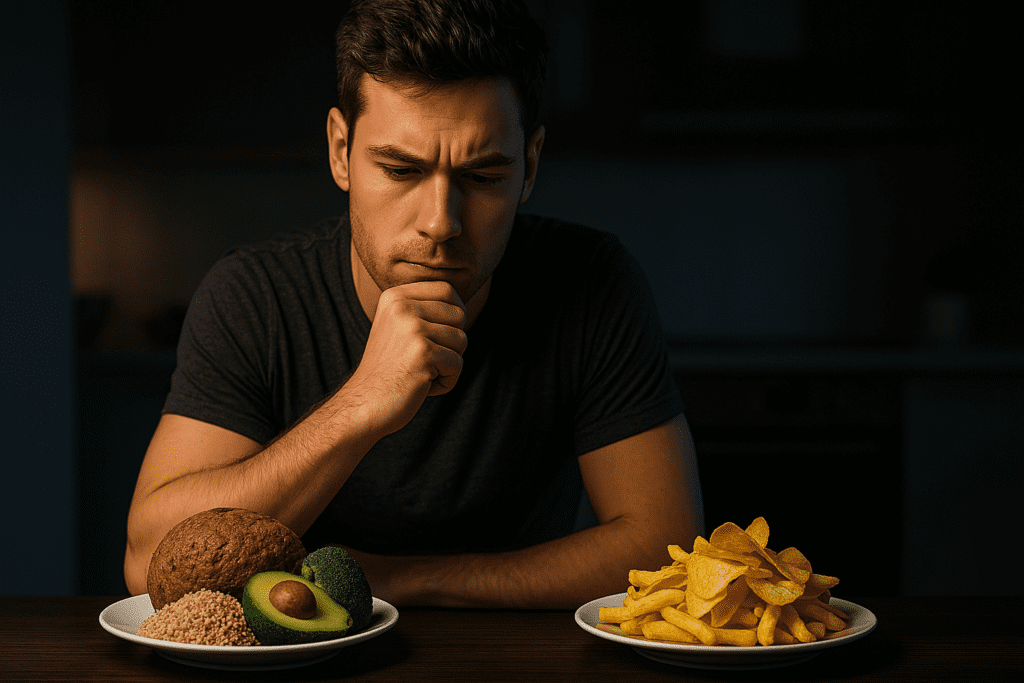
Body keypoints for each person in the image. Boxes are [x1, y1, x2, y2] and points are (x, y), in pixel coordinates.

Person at [124, 0, 703, 609]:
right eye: (401, 170)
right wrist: (362, 403)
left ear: (529, 166)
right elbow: (147, 564)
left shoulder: (593, 280)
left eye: (482, 178)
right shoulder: (254, 295)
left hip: (523, 656)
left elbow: (664, 548)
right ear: (341, 150)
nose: (440, 224)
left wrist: (394, 583)